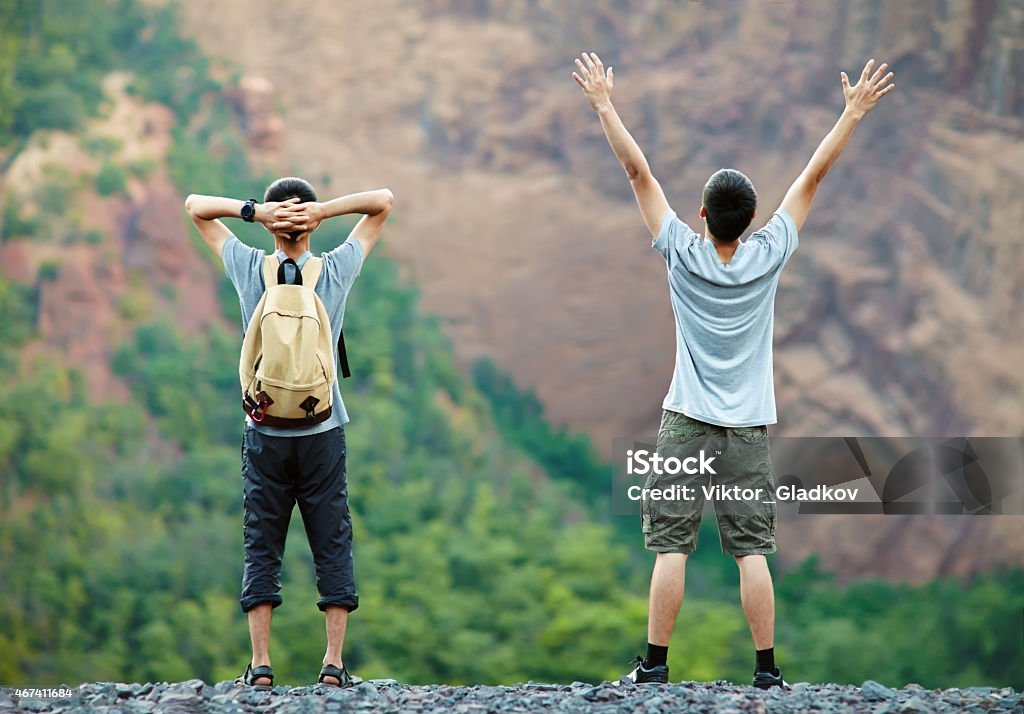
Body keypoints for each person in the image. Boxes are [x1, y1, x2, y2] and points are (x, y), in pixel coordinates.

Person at [573, 52, 894, 687]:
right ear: (751, 223)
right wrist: (851, 113)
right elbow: (810, 179)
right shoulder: (770, 253)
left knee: (671, 546)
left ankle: (656, 668)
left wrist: (605, 105)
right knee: (752, 552)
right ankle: (768, 673)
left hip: (684, 418)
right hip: (748, 426)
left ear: (700, 214)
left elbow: (637, 173)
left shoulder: (680, 253)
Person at [184, 178, 395, 687]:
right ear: (310, 223)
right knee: (332, 539)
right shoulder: (337, 268)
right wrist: (322, 211)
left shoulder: (247, 265)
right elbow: (382, 202)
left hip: (263, 431)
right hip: (323, 429)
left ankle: (259, 667)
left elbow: (195, 208)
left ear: (276, 222)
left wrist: (255, 213)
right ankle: (334, 666)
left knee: (262, 541)